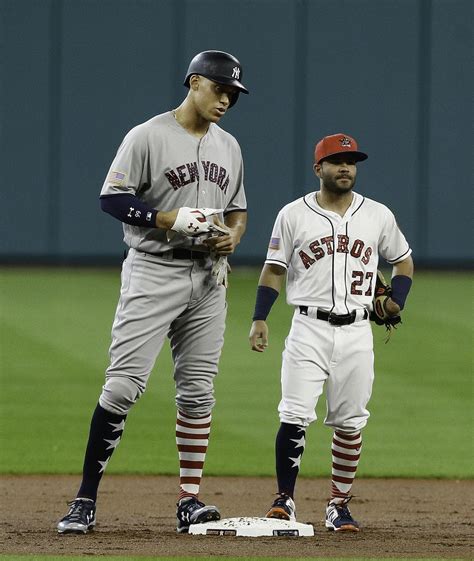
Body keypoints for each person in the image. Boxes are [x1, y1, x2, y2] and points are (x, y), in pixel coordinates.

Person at [57, 50, 249, 535]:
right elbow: (112, 197)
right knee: (122, 387)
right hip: (153, 270)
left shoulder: (230, 146)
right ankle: (85, 499)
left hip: (209, 279)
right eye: (219, 88)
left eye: (233, 94)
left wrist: (235, 235)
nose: (226, 99)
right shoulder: (147, 136)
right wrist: (165, 219)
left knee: (199, 394)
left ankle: (190, 500)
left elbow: (238, 208)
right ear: (193, 83)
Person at [249, 133, 413, 531]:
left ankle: (338, 504)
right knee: (294, 415)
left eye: (351, 161)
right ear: (317, 168)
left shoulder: (378, 215)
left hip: (357, 332)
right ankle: (284, 501)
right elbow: (274, 269)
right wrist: (259, 317)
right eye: (337, 160)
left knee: (351, 422)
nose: (345, 167)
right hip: (308, 328)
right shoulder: (293, 214)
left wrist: (397, 301)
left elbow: (403, 262)